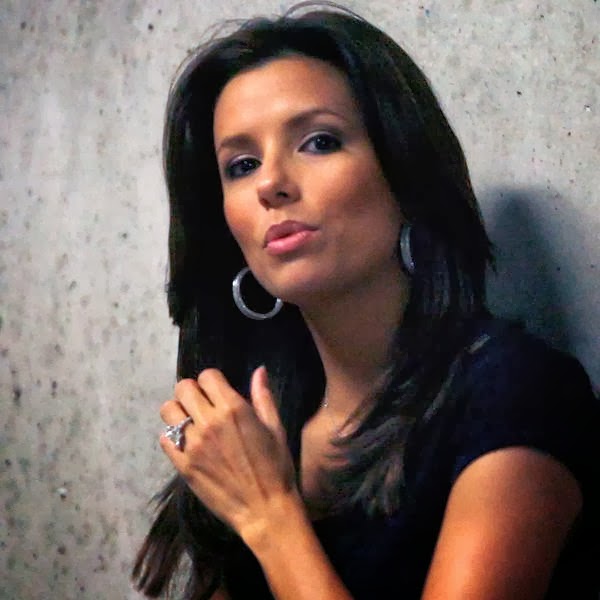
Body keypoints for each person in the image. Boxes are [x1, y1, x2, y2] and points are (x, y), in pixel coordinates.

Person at [131, 3, 600, 598]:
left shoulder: (514, 392)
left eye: (319, 142)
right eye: (241, 165)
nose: (271, 183)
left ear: (403, 172)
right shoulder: (266, 416)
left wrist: (270, 517)